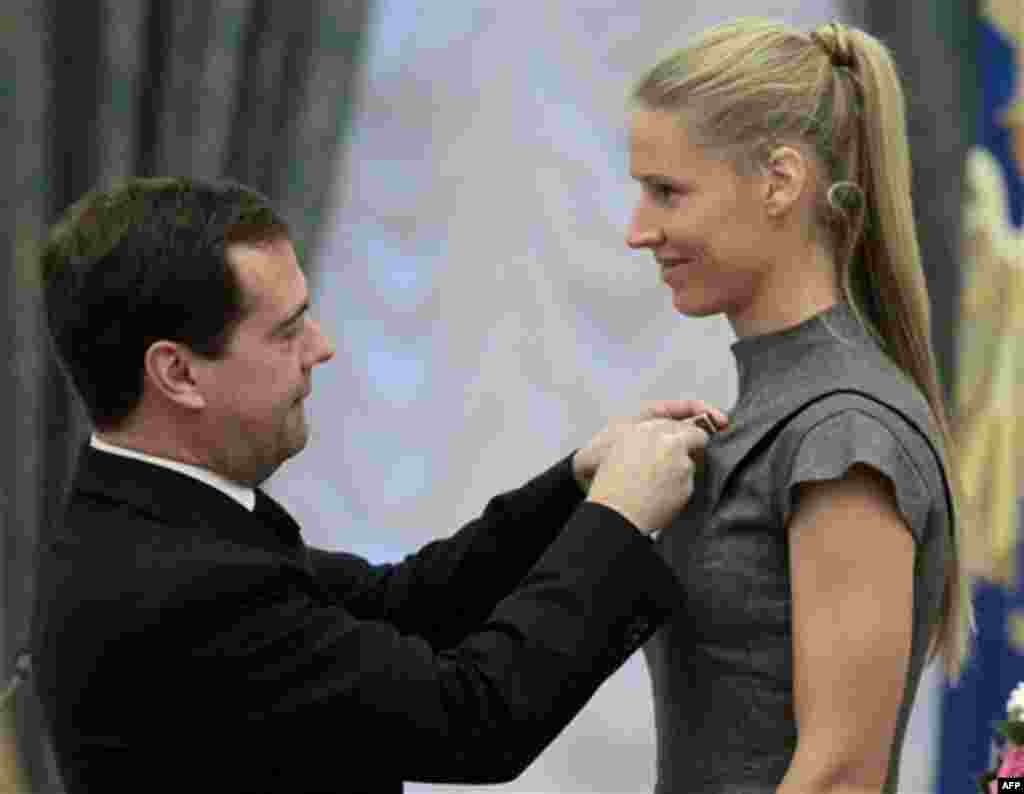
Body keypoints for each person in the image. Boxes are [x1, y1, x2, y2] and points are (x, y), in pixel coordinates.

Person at [29, 176, 728, 793]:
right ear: (178, 374)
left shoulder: (158, 518)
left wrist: (577, 483)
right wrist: (618, 519)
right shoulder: (177, 583)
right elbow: (476, 716)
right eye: (288, 330)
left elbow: (402, 603)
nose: (322, 347)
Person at [624, 17, 973, 794]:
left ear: (780, 182)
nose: (637, 230)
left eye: (667, 192)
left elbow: (840, 776)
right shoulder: (794, 414)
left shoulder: (844, 432)